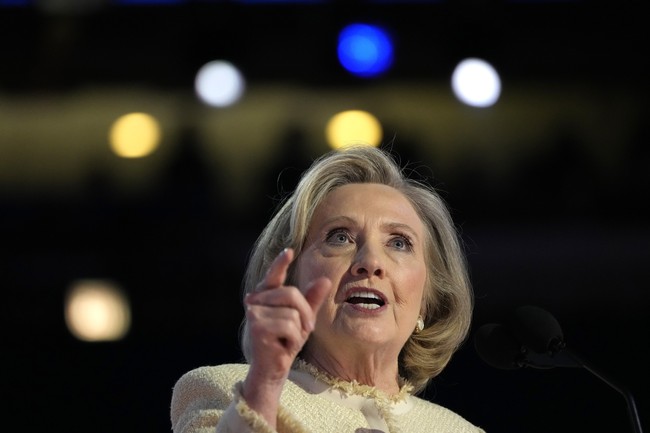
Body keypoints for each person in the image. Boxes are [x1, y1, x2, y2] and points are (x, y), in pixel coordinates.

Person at [170, 144, 485, 433]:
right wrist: (264, 386)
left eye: (399, 243)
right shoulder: (227, 392)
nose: (371, 262)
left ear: (428, 300)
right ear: (290, 280)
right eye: (340, 237)